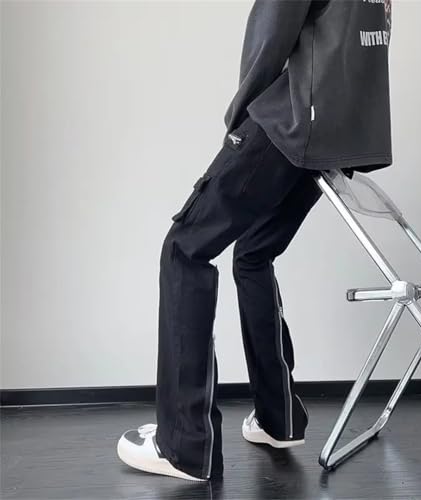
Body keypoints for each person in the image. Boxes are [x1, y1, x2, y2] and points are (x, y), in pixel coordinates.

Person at [117, 0, 393, 481]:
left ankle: (184, 446)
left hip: (293, 121)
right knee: (253, 253)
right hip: (341, 134)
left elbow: (269, 38)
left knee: (184, 248)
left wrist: (240, 121)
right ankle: (278, 418)